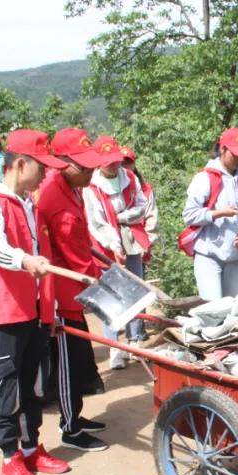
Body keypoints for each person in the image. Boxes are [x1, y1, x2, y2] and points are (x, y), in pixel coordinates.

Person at [0, 129, 71, 475]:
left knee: (32, 386)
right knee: (6, 386)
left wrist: (51, 309)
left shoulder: (27, 203)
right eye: (41, 166)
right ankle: (9, 455)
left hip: (34, 311)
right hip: (3, 312)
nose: (46, 174)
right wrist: (25, 260)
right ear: (21, 163)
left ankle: (32, 448)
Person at [34, 127, 110, 452]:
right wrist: (103, 282)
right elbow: (73, 255)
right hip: (62, 293)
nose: (91, 171)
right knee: (67, 360)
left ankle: (76, 416)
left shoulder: (74, 188)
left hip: (76, 287)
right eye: (85, 166)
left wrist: (102, 261)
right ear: (63, 163)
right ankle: (69, 428)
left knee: (79, 359)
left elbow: (81, 240)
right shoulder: (54, 196)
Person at [82, 135, 150, 369]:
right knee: (109, 294)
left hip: (131, 238)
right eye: (108, 161)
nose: (113, 165)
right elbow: (97, 222)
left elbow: (142, 206)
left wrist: (121, 218)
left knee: (136, 288)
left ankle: (136, 339)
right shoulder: (91, 187)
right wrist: (113, 244)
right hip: (106, 244)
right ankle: (115, 346)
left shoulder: (130, 178)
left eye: (116, 161)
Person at [181, 127, 238, 300]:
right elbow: (189, 215)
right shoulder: (205, 178)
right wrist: (217, 213)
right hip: (208, 254)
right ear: (222, 149)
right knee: (214, 310)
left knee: (231, 311)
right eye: (235, 154)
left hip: (235, 257)